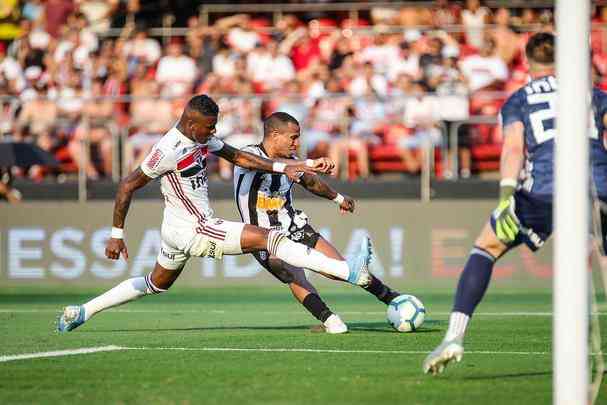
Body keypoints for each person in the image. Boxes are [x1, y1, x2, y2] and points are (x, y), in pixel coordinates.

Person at [57, 95, 373, 332]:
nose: (214, 131)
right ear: (191, 124)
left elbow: (242, 158)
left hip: (175, 229)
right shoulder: (168, 150)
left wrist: (292, 166)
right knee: (269, 238)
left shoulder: (201, 137)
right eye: (209, 126)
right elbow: (127, 185)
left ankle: (82, 311)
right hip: (196, 229)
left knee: (156, 284)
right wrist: (116, 235)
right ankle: (349, 272)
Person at [423, 32, 607, 374]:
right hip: (598, 184)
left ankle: (453, 336)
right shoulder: (594, 95)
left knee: (486, 247)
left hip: (545, 190)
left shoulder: (520, 99)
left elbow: (511, 148)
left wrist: (506, 199)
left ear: (526, 63)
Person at [234, 112, 401, 333]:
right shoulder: (250, 154)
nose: (297, 143)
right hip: (262, 235)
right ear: (274, 135)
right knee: (290, 273)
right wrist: (309, 162)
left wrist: (338, 198)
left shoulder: (294, 162)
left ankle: (391, 297)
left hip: (294, 225)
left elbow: (312, 183)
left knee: (338, 269)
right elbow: (263, 164)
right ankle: (331, 321)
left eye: (298, 137)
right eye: (293, 137)